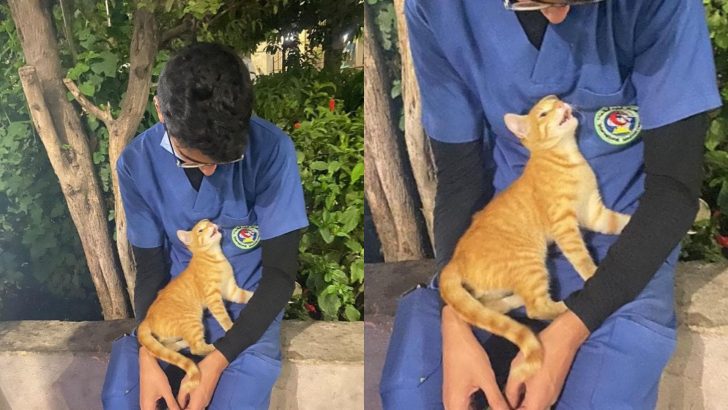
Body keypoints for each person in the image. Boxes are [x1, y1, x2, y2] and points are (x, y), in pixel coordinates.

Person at [380, 0, 722, 409]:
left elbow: (673, 191)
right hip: (499, 248)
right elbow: (461, 180)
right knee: (411, 391)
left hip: (624, 256)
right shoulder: (440, 10)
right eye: (532, 2)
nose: (561, 18)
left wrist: (567, 335)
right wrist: (456, 316)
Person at [101, 42, 308, 410]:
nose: (211, 171)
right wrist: (148, 355)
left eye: (224, 160)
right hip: (172, 314)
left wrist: (215, 365)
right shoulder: (137, 164)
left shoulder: (272, 150)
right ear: (160, 111)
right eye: (192, 162)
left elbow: (278, 276)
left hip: (246, 324)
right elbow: (151, 269)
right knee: (124, 399)